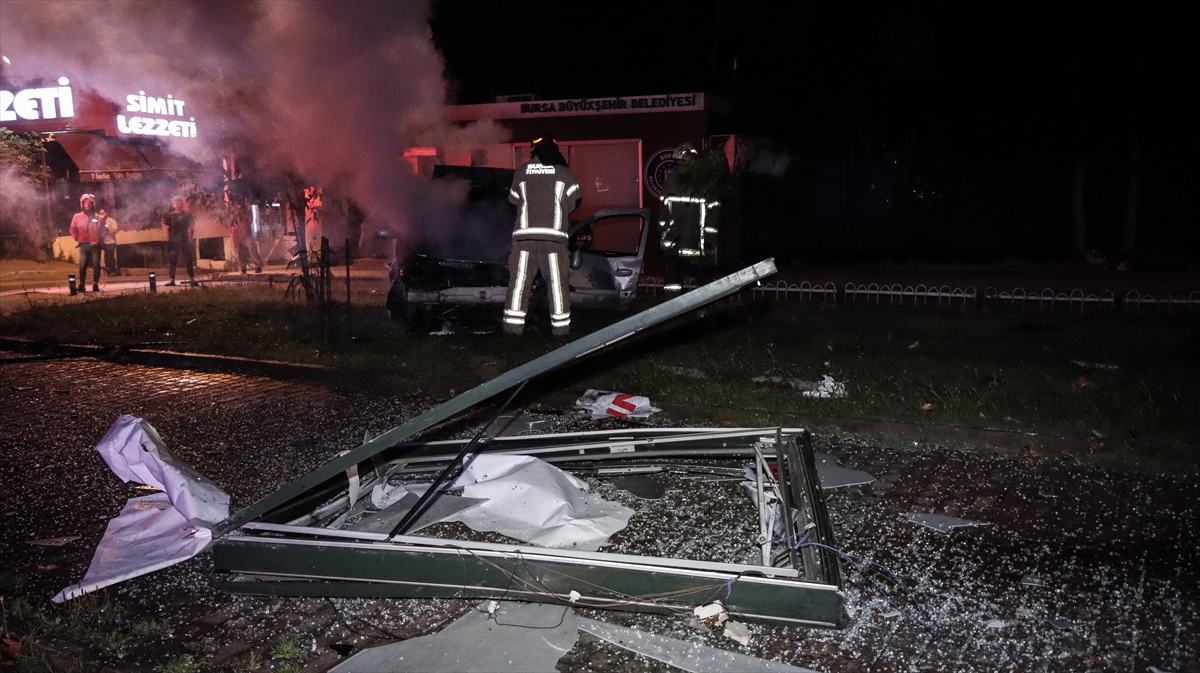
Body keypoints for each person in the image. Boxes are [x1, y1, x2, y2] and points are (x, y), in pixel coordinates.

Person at [503, 136, 580, 336]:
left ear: (533, 152)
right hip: (554, 241)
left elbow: (512, 203)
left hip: (524, 240)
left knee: (519, 284)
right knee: (557, 285)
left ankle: (512, 331)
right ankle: (561, 332)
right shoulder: (563, 172)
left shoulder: (521, 171)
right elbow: (575, 201)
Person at [658, 143, 724, 295]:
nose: (681, 167)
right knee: (672, 284)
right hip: (674, 244)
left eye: (684, 163)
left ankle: (706, 311)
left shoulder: (705, 183)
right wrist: (664, 237)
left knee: (704, 284)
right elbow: (663, 213)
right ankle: (670, 312)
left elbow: (713, 216)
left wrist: (708, 241)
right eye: (678, 163)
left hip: (697, 245)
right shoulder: (670, 182)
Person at [69, 193, 102, 292]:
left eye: (89, 203)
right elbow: (72, 229)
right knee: (82, 265)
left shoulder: (99, 217)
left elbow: (104, 230)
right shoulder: (77, 217)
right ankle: (82, 284)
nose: (87, 205)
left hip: (95, 245)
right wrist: (77, 238)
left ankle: (95, 284)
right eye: (85, 203)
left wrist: (98, 238)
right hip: (83, 244)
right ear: (82, 204)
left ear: (93, 204)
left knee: (96, 265)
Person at [163, 196, 196, 286]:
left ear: (182, 204)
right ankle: (172, 280)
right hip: (173, 242)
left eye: (178, 203)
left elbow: (191, 228)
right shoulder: (170, 215)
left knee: (188, 260)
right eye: (174, 203)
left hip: (185, 240)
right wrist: (169, 239)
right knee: (173, 261)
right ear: (173, 204)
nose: (176, 205)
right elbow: (167, 228)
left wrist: (190, 238)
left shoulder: (187, 215)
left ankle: (192, 279)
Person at [229, 199, 263, 274]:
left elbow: (250, 214)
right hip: (236, 230)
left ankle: (258, 266)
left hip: (245, 228)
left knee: (251, 246)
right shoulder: (231, 205)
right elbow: (228, 219)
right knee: (239, 249)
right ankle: (243, 268)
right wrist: (231, 230)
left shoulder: (245, 202)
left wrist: (247, 225)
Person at [98, 208, 120, 276]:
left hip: (110, 242)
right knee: (97, 254)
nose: (101, 215)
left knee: (109, 257)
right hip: (101, 241)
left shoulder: (111, 221)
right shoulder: (98, 221)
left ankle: (112, 271)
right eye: (100, 214)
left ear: (106, 213)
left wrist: (108, 230)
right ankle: (100, 269)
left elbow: (116, 230)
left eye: (102, 213)